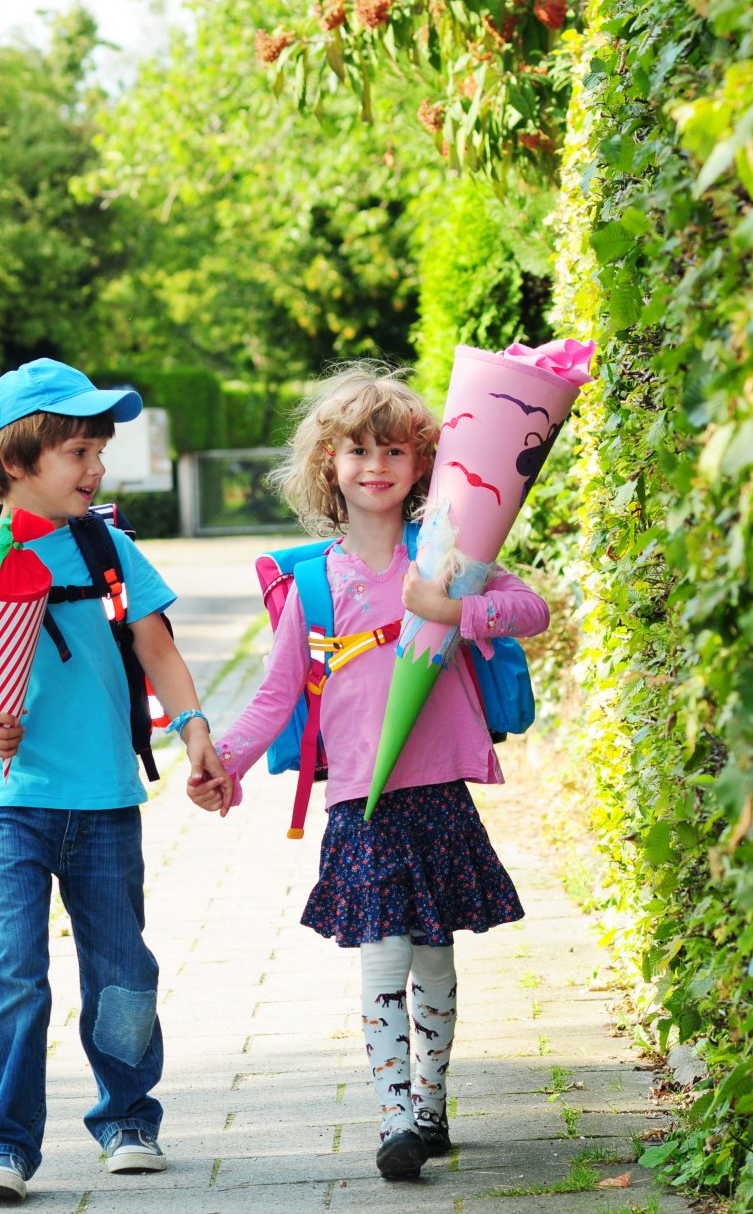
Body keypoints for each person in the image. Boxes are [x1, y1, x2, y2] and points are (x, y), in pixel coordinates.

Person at [208, 363, 549, 1182]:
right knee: (381, 955)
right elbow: (273, 696)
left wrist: (458, 611)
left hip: (436, 792)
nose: (375, 465)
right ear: (329, 463)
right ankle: (393, 1113)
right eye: (357, 450)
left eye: (393, 450)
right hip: (360, 803)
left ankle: (431, 1102)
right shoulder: (314, 587)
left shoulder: (446, 559)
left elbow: (533, 609)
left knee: (434, 956)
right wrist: (222, 765)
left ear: (421, 463)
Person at [0, 358, 231, 1203]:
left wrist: (194, 728)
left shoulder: (108, 545)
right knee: (15, 970)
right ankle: (3, 1146)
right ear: (16, 460)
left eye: (99, 449)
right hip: (10, 799)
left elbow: (157, 649)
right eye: (79, 452)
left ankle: (128, 1118)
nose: (97, 468)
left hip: (103, 801)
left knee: (120, 966)